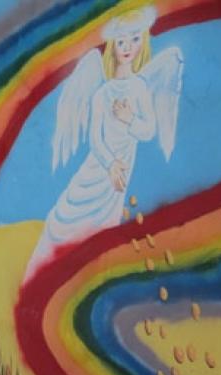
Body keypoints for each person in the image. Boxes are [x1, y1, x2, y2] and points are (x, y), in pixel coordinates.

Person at [24, 6, 182, 280]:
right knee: (62, 218)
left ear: (143, 41)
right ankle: (37, 276)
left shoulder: (140, 89)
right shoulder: (102, 94)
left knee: (102, 228)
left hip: (118, 177)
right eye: (121, 41)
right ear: (112, 46)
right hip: (99, 168)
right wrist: (110, 165)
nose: (128, 47)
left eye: (135, 39)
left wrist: (129, 119)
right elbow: (95, 138)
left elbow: (148, 130)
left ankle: (82, 279)